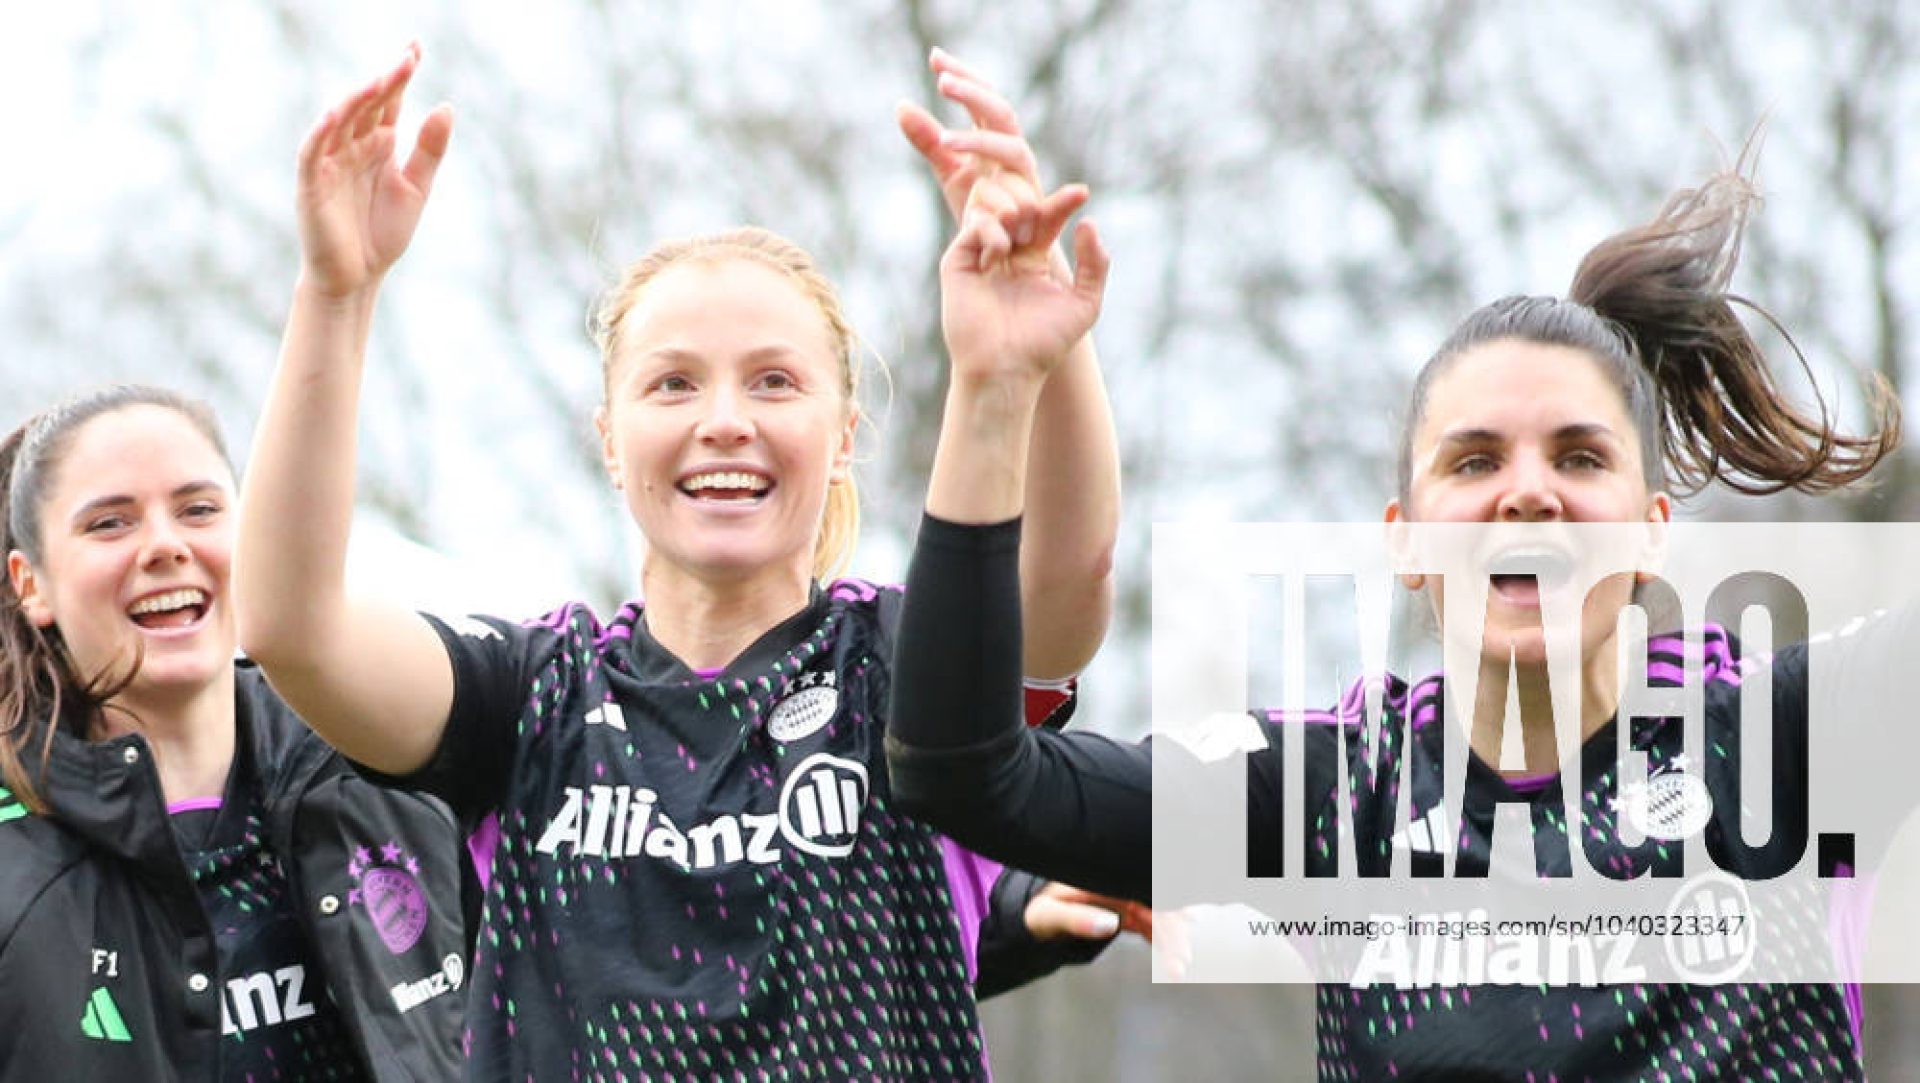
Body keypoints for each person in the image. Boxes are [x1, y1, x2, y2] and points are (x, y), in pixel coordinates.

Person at [887, 163, 1905, 1079]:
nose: (1528, 493)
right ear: (1406, 541)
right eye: (1475, 460)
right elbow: (962, 768)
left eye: (1580, 457)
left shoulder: (1784, 742)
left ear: (1650, 532)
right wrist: (994, 390)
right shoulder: (1334, 797)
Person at [236, 44, 1120, 1079]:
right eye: (673, 385)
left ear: (843, 437)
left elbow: (1065, 593)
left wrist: (1032, 351)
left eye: (775, 381)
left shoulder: (900, 671)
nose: (725, 420)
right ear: (610, 441)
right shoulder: (531, 697)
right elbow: (291, 629)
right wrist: (335, 294)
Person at [0, 384, 475, 1081]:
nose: (165, 545)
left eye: (198, 509)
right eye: (110, 523)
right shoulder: (17, 863)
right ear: (31, 584)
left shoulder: (394, 771)